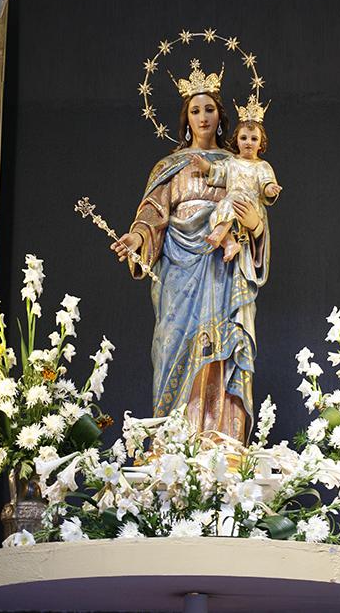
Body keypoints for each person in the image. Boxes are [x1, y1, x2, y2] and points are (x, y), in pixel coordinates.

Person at [112, 62, 271, 442]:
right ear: (186, 118)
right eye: (195, 110)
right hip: (178, 273)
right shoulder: (169, 167)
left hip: (223, 267)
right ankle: (173, 445)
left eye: (209, 109)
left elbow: (256, 211)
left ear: (221, 116)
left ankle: (223, 442)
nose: (203, 117)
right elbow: (152, 213)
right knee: (173, 346)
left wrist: (254, 226)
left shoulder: (237, 165)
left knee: (223, 347)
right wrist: (137, 239)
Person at [191, 98, 282, 263]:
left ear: (261, 144)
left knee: (227, 207)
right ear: (237, 140)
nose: (248, 142)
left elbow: (266, 183)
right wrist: (205, 166)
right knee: (219, 213)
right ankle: (229, 243)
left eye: (254, 139)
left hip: (249, 203)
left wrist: (270, 189)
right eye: (244, 138)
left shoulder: (262, 166)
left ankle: (221, 236)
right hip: (231, 200)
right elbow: (219, 173)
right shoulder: (231, 162)